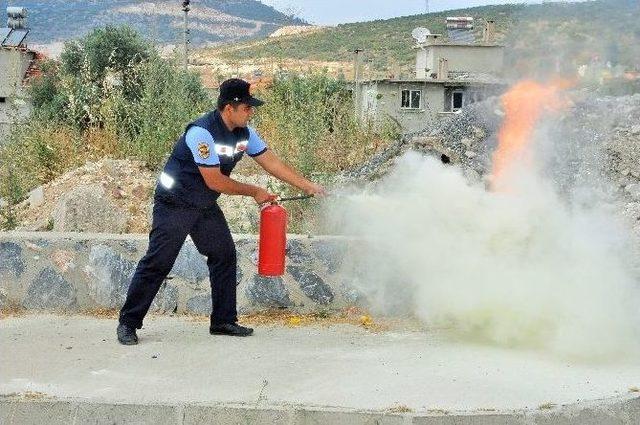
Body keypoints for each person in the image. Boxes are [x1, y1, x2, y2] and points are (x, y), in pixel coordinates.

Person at [117, 78, 326, 345]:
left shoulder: (245, 134)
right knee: (158, 261)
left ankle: (223, 321)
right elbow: (215, 181)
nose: (251, 112)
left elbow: (272, 163)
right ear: (230, 108)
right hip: (175, 203)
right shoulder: (201, 133)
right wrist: (255, 191)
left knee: (223, 255)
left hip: (203, 204)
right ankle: (128, 323)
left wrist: (308, 186)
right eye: (247, 108)